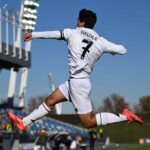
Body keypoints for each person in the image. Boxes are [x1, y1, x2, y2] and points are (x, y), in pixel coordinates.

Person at [8, 9, 143, 132]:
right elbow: (122, 50)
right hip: (76, 82)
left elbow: (54, 34)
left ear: (82, 22)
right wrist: (109, 50)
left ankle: (125, 116)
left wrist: (33, 34)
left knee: (89, 122)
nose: (76, 21)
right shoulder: (101, 41)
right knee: (50, 100)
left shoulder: (72, 32)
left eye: (78, 19)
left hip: (78, 85)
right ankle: (23, 122)